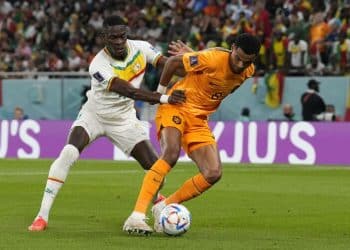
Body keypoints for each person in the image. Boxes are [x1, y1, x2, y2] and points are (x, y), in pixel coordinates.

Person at [28, 15, 187, 232]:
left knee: (156, 168)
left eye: (123, 35)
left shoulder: (141, 48)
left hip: (124, 120)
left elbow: (168, 65)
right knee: (68, 153)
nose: (120, 41)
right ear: (104, 37)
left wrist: (190, 61)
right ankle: (41, 217)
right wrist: (164, 98)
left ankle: (157, 203)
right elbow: (128, 90)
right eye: (114, 37)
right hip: (94, 115)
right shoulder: (98, 64)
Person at [123, 33, 261, 235]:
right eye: (238, 57)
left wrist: (197, 56)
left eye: (246, 61)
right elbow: (171, 63)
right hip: (176, 106)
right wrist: (160, 95)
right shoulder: (213, 58)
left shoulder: (248, 71)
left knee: (213, 173)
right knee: (171, 154)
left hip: (199, 120)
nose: (240, 64)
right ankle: (136, 216)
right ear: (232, 47)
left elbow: (224, 85)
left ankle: (165, 205)